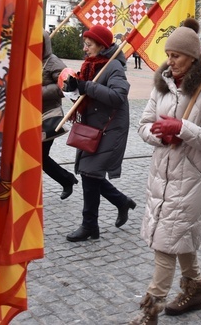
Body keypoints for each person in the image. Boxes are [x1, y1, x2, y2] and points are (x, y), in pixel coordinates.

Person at [130, 19, 201, 324]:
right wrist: (161, 134)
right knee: (178, 238)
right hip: (161, 177)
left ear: (193, 58)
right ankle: (195, 286)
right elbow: (143, 124)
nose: (169, 61)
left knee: (165, 245)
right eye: (168, 54)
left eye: (177, 56)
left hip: (193, 180)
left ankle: (150, 310)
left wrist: (182, 128)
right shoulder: (163, 86)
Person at [62, 25, 136, 242]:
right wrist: (73, 90)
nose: (85, 49)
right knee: (88, 173)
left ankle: (89, 225)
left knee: (90, 173)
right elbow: (85, 96)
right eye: (85, 44)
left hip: (110, 129)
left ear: (101, 45)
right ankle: (120, 203)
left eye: (89, 44)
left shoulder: (113, 66)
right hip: (93, 128)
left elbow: (117, 96)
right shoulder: (91, 65)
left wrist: (86, 87)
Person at [42, 30, 78, 199]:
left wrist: (37, 91)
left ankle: (67, 180)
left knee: (39, 156)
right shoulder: (28, 60)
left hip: (49, 116)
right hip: (30, 116)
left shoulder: (53, 61)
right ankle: (66, 180)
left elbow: (65, 85)